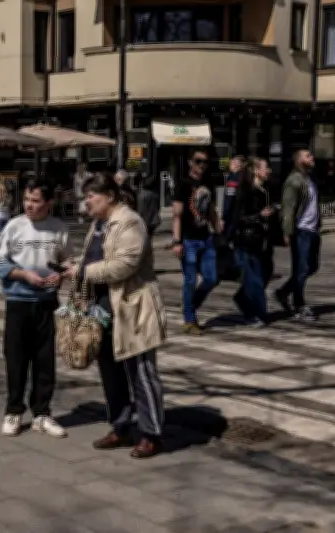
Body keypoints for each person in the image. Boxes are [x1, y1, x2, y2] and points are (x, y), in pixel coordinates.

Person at [63, 172, 166, 459]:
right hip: (102, 308)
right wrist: (74, 266)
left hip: (131, 307)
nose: (87, 203)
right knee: (110, 372)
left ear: (109, 196)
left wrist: (83, 271)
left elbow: (124, 265)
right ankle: (121, 427)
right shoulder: (99, 224)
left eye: (91, 197)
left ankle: (151, 434)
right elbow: (92, 257)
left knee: (141, 373)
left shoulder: (130, 221)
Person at [0, 178, 73, 438]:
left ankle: (42, 413)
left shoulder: (58, 228)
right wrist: (23, 275)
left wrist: (62, 275)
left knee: (45, 361)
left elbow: (67, 261)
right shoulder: (14, 226)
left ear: (49, 203)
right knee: (16, 359)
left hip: (47, 303)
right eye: (27, 199)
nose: (29, 205)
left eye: (36, 201)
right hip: (18, 302)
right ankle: (13, 411)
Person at [171, 149, 222, 335]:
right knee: (190, 281)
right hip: (188, 240)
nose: (202, 165)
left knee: (211, 278)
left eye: (205, 162)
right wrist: (177, 241)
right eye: (198, 161)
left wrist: (218, 230)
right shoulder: (183, 184)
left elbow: (211, 211)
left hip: (206, 238)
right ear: (191, 162)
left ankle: (190, 305)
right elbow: (176, 215)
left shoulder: (209, 183)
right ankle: (189, 320)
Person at [230, 158, 276, 327]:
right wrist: (259, 216)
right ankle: (256, 314)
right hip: (249, 240)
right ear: (257, 171)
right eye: (266, 167)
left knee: (265, 274)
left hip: (264, 241)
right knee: (255, 279)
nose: (269, 170)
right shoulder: (246, 190)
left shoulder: (266, 190)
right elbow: (239, 217)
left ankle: (243, 299)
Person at [276, 149, 320, 321]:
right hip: (301, 231)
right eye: (308, 156)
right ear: (298, 160)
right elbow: (288, 208)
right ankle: (299, 305)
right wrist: (287, 232)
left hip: (312, 230)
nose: (312, 157)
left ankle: (283, 292)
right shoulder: (294, 180)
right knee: (301, 270)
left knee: (312, 267)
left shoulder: (308, 179)